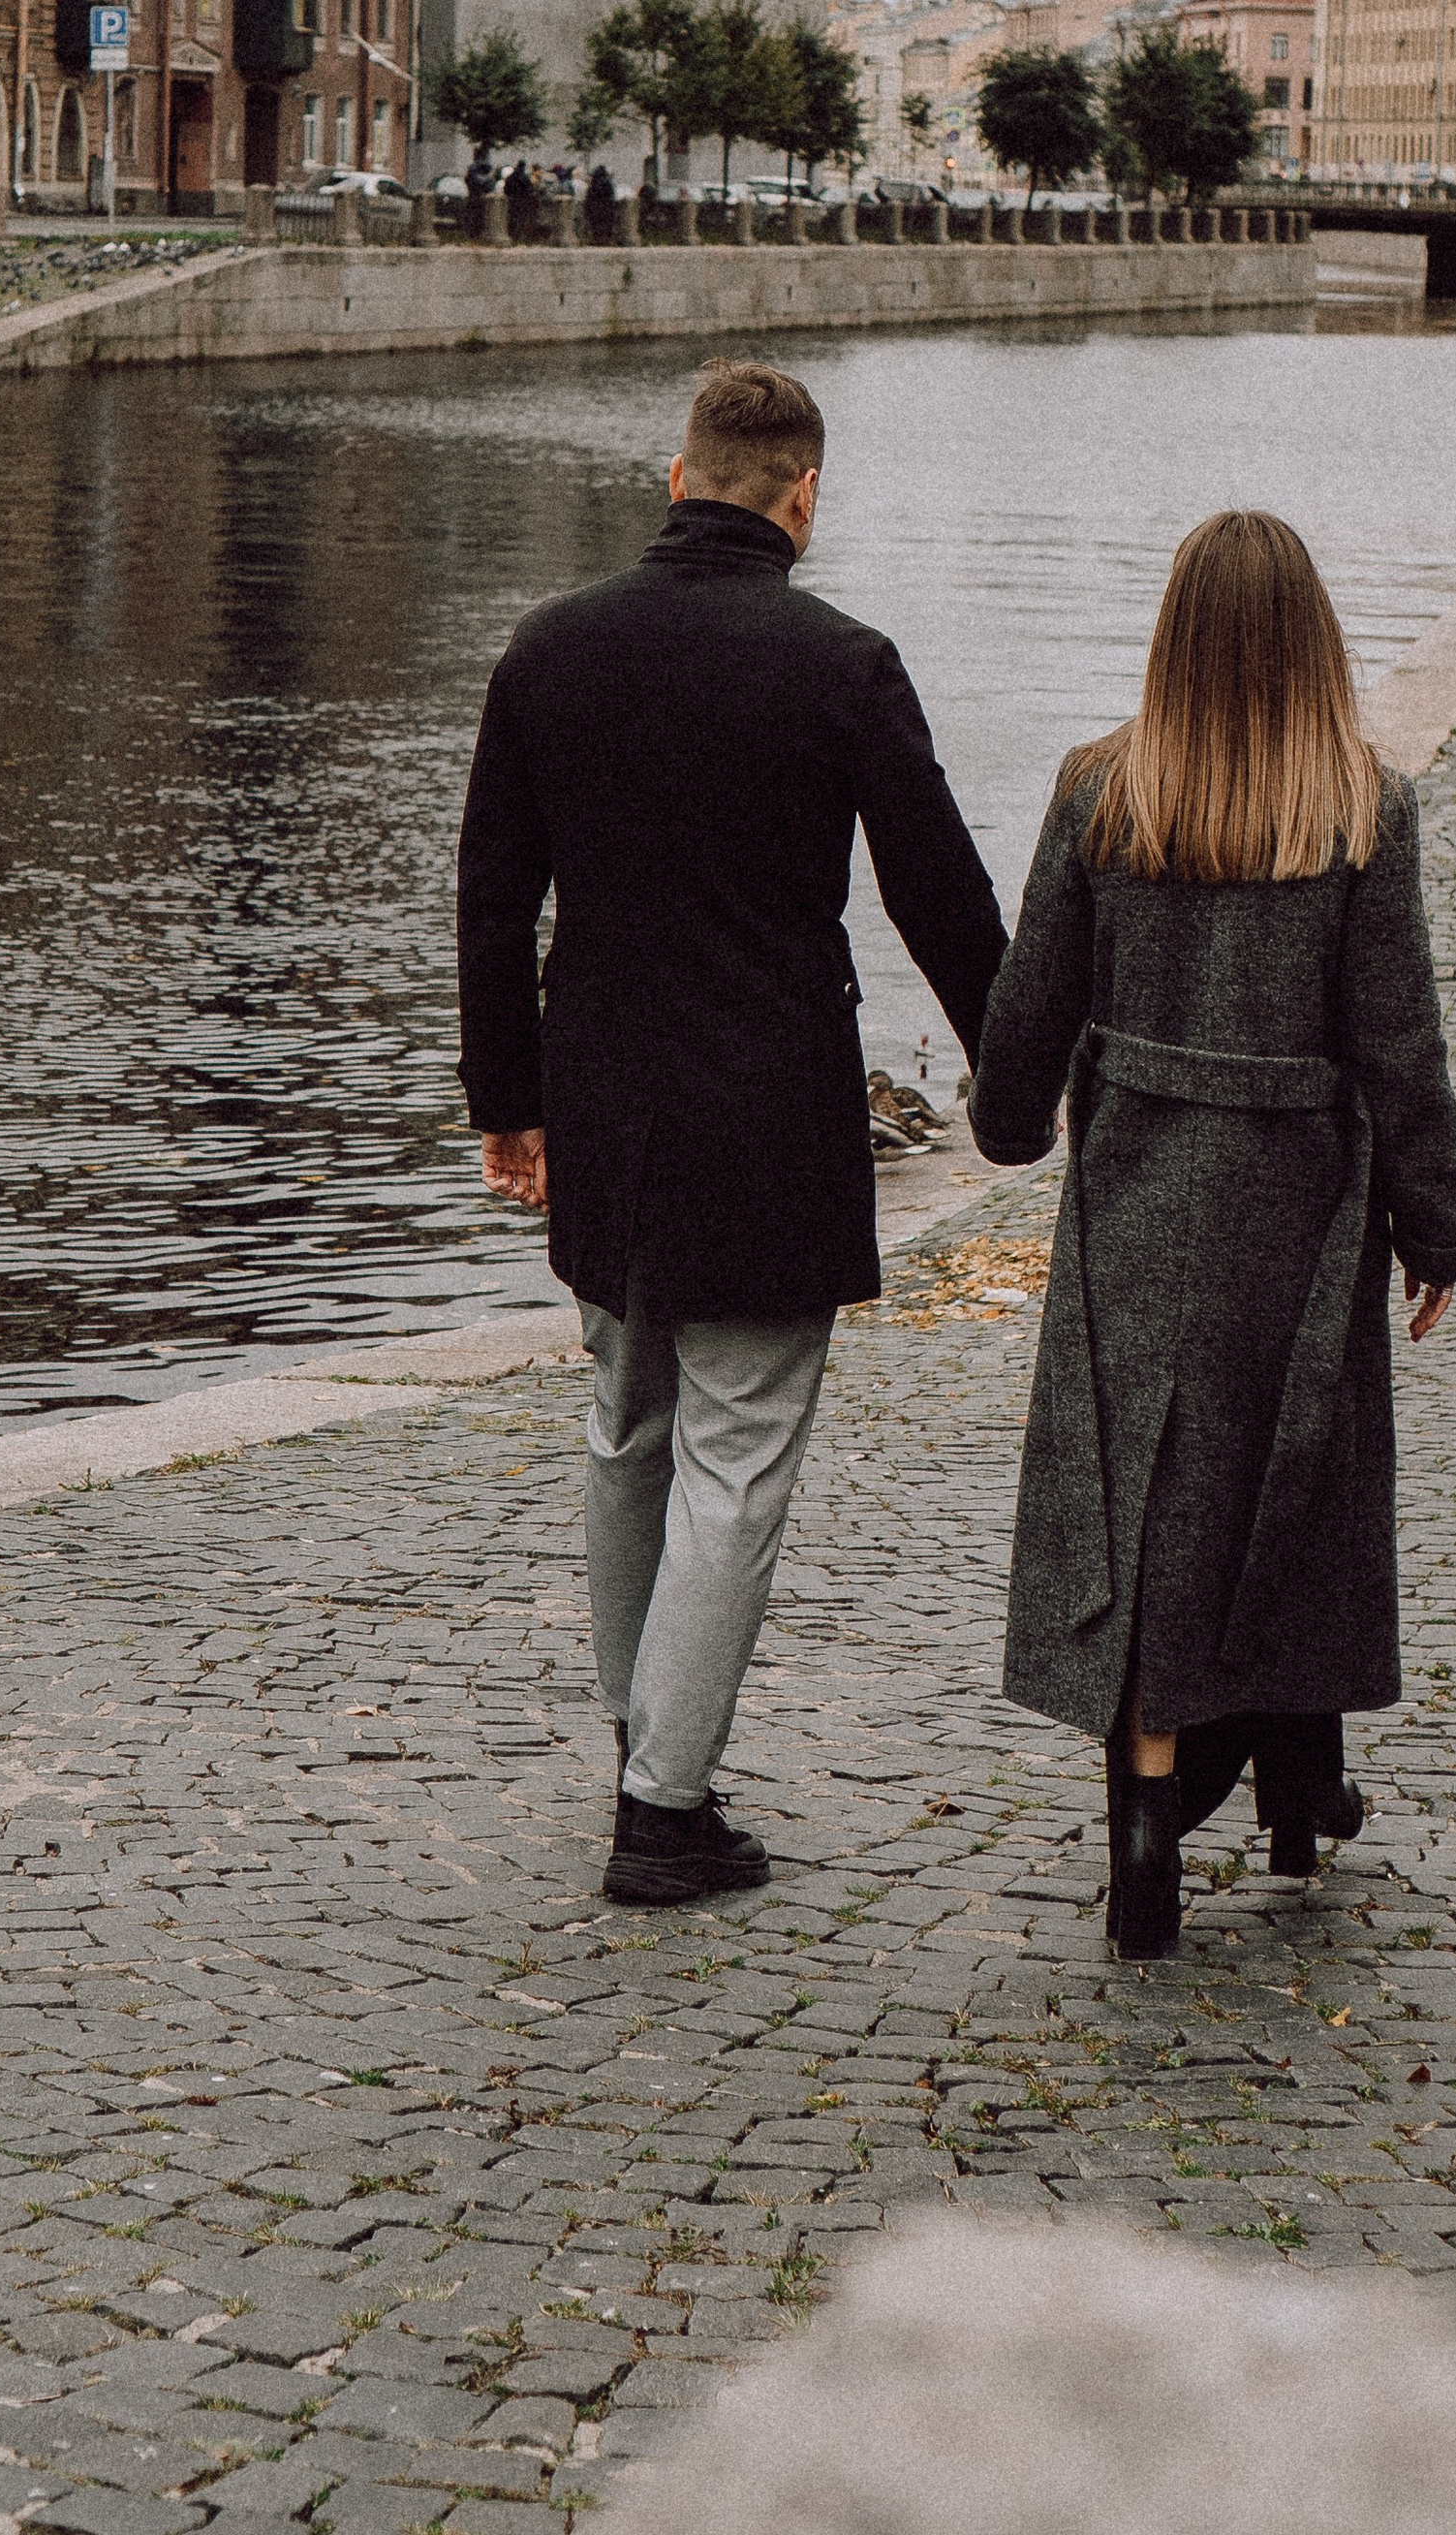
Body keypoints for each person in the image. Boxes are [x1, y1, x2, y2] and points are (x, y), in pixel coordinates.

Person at [457, 359, 1007, 1907]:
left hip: (604, 1097)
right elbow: (940, 899)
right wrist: (1023, 1086)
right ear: (803, 497)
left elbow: (494, 899)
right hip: (770, 1104)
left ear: (678, 476)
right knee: (740, 1450)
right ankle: (665, 1803)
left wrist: (509, 1101)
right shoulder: (842, 662)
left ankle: (649, 1736)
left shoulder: (550, 649)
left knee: (626, 1424)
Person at [968, 509, 1456, 1962]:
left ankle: (1144, 1822)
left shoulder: (1098, 795)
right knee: (1290, 1477)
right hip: (1303, 1206)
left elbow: (1029, 1003)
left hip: (1136, 1191)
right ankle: (1302, 1785)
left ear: (1171, 636)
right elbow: (1399, 1042)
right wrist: (1433, 1221)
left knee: (1152, 1501)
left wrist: (1007, 1123)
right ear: (1316, 640)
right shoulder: (1362, 805)